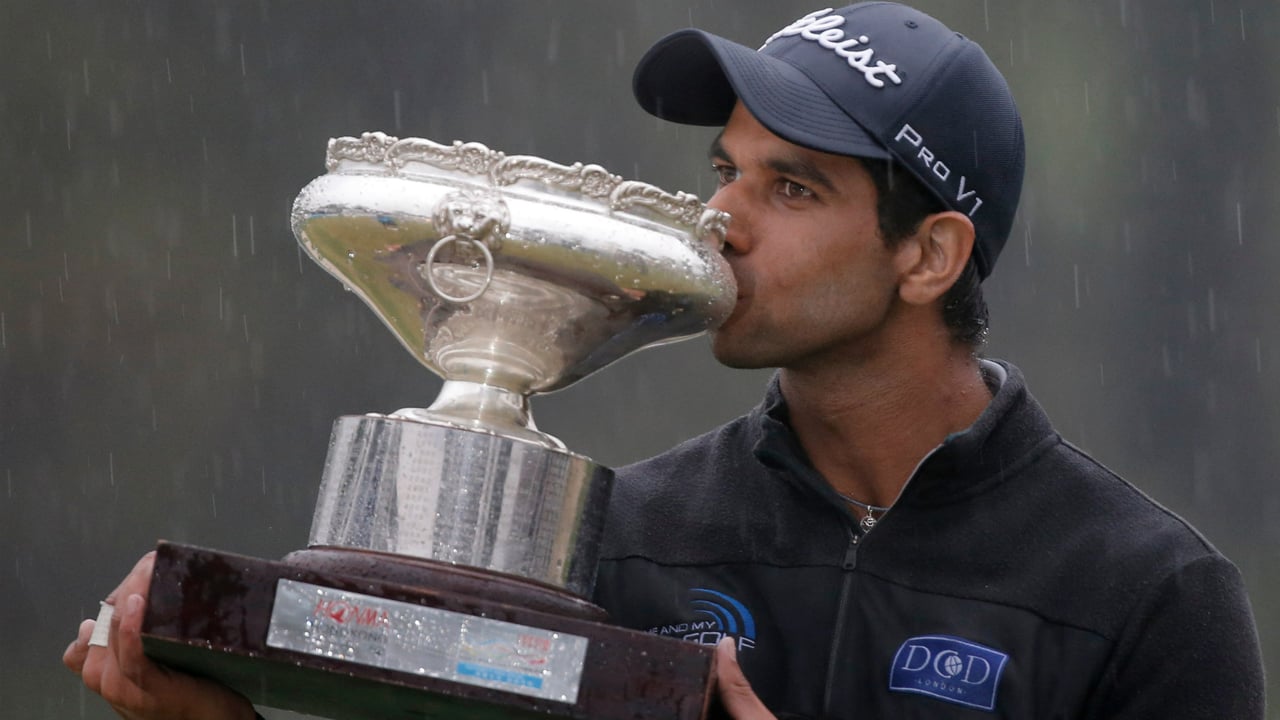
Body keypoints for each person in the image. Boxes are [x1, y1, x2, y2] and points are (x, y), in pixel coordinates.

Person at [66, 3, 1264, 719]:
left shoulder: (1143, 595)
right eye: (723, 172)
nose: (719, 221)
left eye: (790, 188)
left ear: (927, 255)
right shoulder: (621, 536)